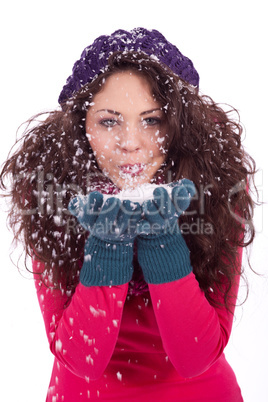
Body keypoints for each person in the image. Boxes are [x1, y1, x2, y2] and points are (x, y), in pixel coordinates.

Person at [0, 28, 257, 401]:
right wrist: (108, 242)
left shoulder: (215, 187)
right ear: (81, 125)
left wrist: (162, 237)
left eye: (151, 120)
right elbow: (81, 359)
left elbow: (195, 356)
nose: (130, 142)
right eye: (109, 121)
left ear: (179, 123)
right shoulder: (51, 191)